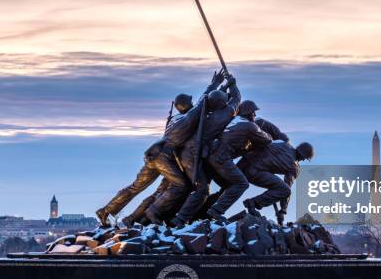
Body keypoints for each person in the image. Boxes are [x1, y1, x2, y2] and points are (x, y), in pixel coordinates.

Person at [95, 71, 225, 226]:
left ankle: (106, 211)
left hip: (153, 153)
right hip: (164, 156)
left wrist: (217, 88)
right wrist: (216, 86)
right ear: (187, 105)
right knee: (181, 185)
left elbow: (200, 104)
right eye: (190, 103)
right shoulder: (187, 119)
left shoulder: (175, 118)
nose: (192, 104)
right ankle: (152, 213)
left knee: (136, 187)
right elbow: (202, 102)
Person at [165, 75, 241, 227]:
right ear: (222, 104)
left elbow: (204, 98)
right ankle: (179, 220)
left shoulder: (200, 112)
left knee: (205, 187)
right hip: (192, 155)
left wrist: (219, 85)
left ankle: (195, 215)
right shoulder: (221, 115)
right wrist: (233, 85)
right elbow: (236, 100)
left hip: (192, 154)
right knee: (202, 190)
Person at [203, 101, 273, 223]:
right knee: (242, 184)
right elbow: (266, 140)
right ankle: (216, 211)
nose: (254, 115)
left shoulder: (233, 121)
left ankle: (206, 210)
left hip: (211, 157)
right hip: (222, 159)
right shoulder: (249, 126)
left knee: (228, 185)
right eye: (253, 112)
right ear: (248, 113)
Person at [240, 141, 314, 223]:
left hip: (244, 164)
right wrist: (283, 210)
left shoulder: (284, 144)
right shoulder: (294, 167)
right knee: (285, 190)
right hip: (254, 172)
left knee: (280, 187)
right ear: (302, 155)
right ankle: (253, 203)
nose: (303, 160)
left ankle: (253, 203)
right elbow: (287, 188)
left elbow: (264, 147)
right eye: (304, 157)